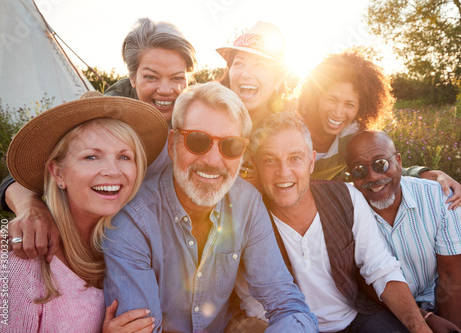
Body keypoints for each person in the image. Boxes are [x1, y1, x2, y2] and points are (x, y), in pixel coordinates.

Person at [102, 82, 318, 332]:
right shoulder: (132, 221)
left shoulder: (247, 202)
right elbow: (143, 328)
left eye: (231, 146)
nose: (214, 161)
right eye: (197, 140)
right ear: (173, 144)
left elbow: (286, 303)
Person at [239, 111, 461, 332]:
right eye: (270, 160)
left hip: (358, 317)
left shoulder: (346, 197)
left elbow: (380, 269)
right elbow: (254, 302)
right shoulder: (249, 218)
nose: (283, 172)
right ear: (256, 166)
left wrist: (419, 326)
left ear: (311, 161)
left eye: (295, 158)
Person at [0, 17, 196, 262]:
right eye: (151, 77)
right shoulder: (108, 113)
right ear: (132, 78)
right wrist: (30, 208)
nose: (166, 90)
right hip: (106, 243)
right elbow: (26, 171)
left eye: (177, 78)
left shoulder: (195, 109)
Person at [0, 92, 168, 332]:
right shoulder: (14, 261)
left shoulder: (135, 250)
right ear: (58, 173)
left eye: (124, 156)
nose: (112, 171)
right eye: (91, 156)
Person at [345, 130, 461, 333]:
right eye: (359, 170)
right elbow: (363, 281)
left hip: (437, 295)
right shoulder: (348, 211)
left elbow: (451, 274)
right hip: (381, 307)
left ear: (398, 160)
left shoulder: (438, 197)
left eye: (381, 164)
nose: (373, 176)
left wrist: (451, 327)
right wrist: (424, 319)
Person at [298, 51, 461, 209]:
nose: (338, 112)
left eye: (349, 104)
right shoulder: (292, 126)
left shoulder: (352, 135)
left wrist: (427, 174)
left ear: (360, 108)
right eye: (332, 100)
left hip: (310, 202)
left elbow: (381, 168)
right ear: (317, 97)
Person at [217, 21, 291, 183]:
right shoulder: (210, 117)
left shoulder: (288, 134)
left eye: (260, 65)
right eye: (239, 63)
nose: (246, 74)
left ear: (278, 79)